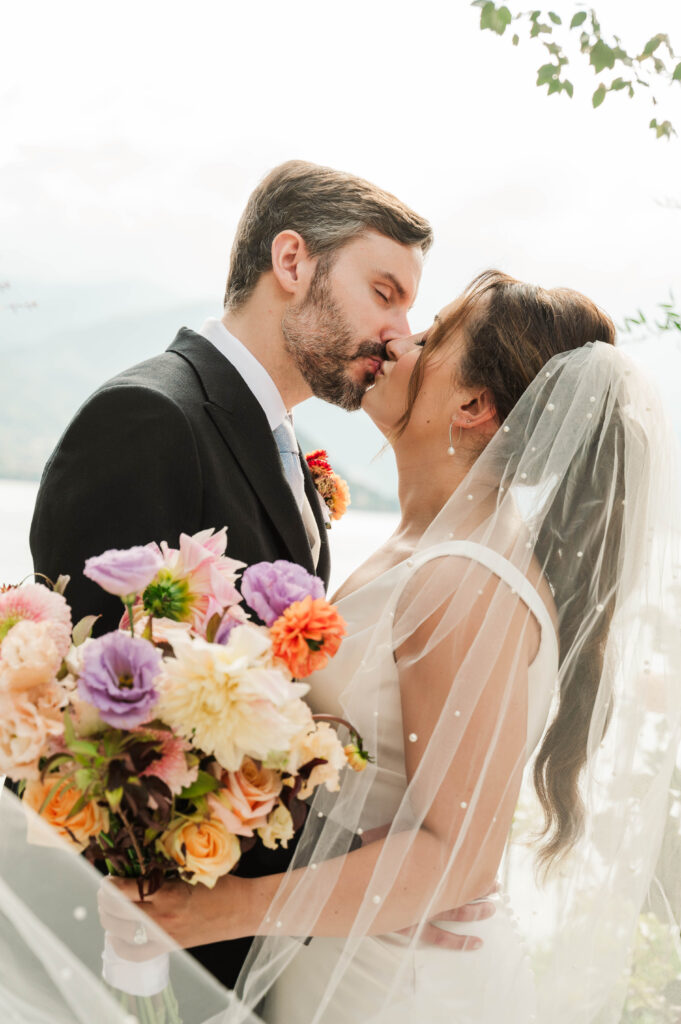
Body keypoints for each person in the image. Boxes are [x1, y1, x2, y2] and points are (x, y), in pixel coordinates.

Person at [102, 270, 681, 1022]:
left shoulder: (461, 579)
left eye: (432, 336)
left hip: (396, 987)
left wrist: (219, 910)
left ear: (473, 406)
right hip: (347, 943)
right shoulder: (422, 550)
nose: (397, 340)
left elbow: (455, 855)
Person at [25, 160, 484, 991]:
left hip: (233, 950)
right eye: (384, 292)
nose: (397, 334)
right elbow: (95, 737)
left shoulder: (282, 454)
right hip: (130, 960)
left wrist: (385, 881)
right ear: (292, 262)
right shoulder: (149, 419)